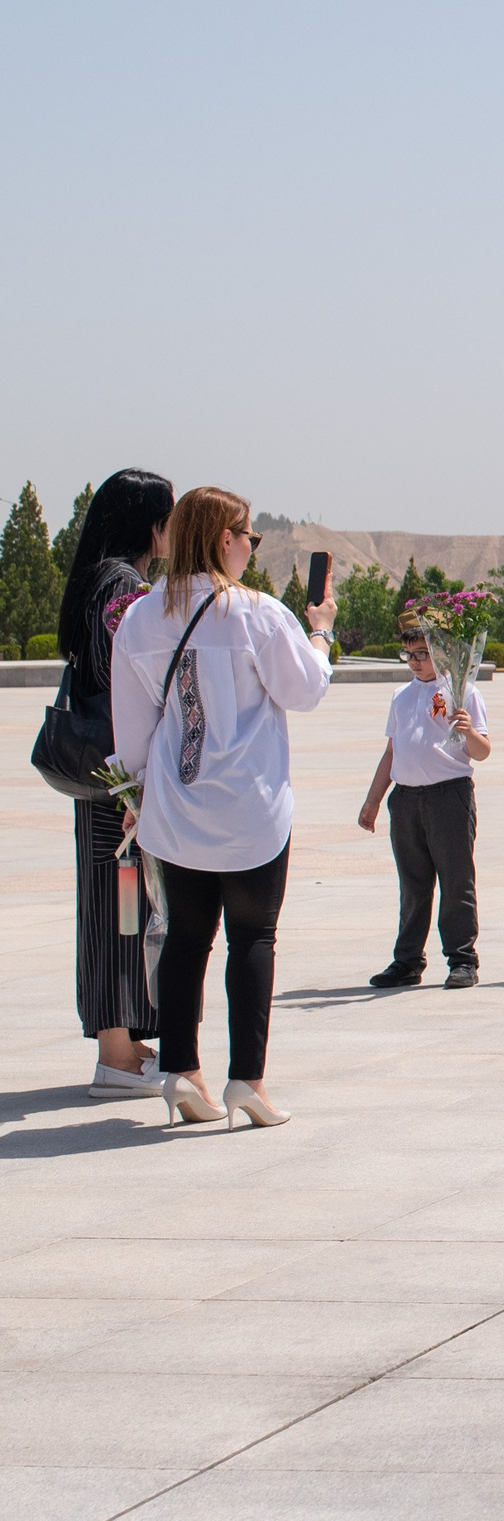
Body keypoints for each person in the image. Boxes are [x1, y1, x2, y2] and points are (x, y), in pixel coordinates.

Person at [110, 486, 334, 1127]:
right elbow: (305, 689)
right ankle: (247, 1081)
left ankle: (182, 1071)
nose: (251, 549)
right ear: (224, 539)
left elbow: (132, 729)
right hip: (249, 809)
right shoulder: (258, 613)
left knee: (186, 939)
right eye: (248, 537)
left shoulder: (140, 619)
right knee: (252, 938)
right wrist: (321, 633)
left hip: (177, 809)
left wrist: (136, 796)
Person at [58, 467, 174, 1098]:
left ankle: (124, 1042)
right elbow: (133, 684)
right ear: (148, 524)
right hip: (118, 783)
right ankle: (116, 1056)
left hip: (103, 778)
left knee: (119, 906)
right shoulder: (123, 587)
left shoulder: (100, 581)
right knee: (121, 909)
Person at [357, 621, 492, 989]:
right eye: (409, 654)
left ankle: (462, 959)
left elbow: (482, 751)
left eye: (423, 654)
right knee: (413, 884)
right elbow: (391, 751)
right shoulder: (401, 696)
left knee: (456, 880)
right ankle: (408, 961)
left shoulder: (463, 692)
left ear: (443, 654)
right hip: (406, 800)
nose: (415, 661)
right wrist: (373, 800)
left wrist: (468, 730)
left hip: (448, 796)